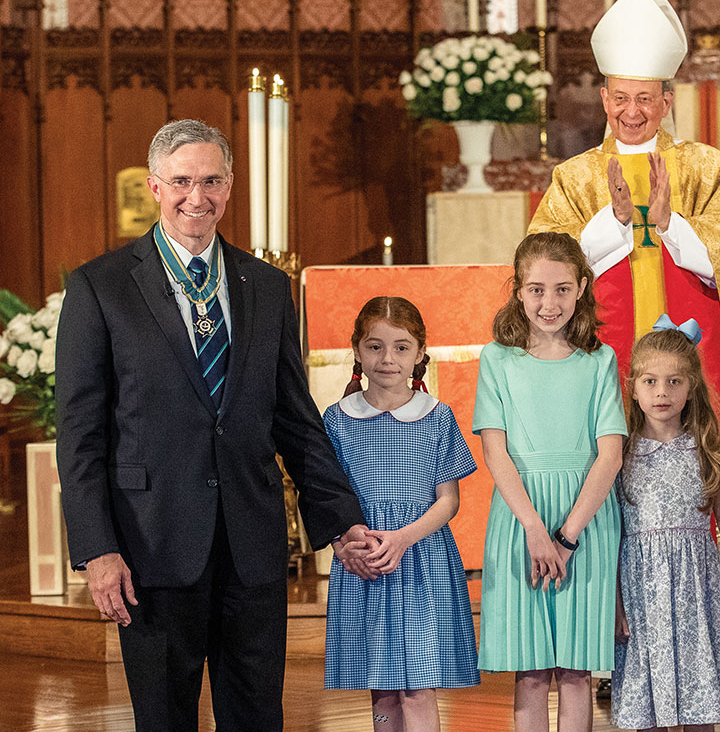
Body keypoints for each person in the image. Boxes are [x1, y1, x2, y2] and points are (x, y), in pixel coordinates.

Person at [55, 119, 369, 732]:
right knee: (164, 717)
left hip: (251, 542)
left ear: (230, 187)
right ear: (153, 186)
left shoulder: (268, 287)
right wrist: (97, 549)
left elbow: (296, 422)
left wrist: (341, 520)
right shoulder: (100, 287)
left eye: (211, 181)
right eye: (180, 182)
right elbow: (80, 433)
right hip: (151, 542)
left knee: (256, 715)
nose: (195, 197)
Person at [527, 0, 720, 661]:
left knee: (693, 493)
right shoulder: (575, 179)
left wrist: (672, 225)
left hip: (691, 370)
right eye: (620, 98)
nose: (633, 112)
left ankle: (700, 640)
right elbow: (542, 268)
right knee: (608, 487)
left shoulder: (707, 167)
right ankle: (611, 641)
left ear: (667, 100)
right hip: (603, 371)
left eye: (646, 99)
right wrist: (614, 221)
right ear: (604, 100)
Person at [473, 232, 627, 731]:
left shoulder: (599, 360)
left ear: (582, 287)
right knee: (532, 669)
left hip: (585, 521)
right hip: (522, 519)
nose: (549, 302)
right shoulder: (497, 359)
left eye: (562, 289)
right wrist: (538, 532)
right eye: (536, 289)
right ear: (518, 290)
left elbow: (610, 455)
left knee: (577, 669)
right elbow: (495, 450)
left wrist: (567, 535)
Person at [322, 296, 480, 731]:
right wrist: (343, 546)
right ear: (356, 351)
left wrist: (403, 537)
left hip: (420, 562)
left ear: (420, 353)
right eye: (375, 347)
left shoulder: (437, 417)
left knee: (418, 686)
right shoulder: (336, 419)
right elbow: (326, 496)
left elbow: (448, 500)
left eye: (401, 347)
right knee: (382, 687)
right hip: (364, 565)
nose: (387, 358)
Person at [613, 317, 720, 732]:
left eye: (674, 381)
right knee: (646, 702)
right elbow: (610, 536)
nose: (662, 392)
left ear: (692, 386)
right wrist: (613, 602)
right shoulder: (618, 454)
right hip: (641, 594)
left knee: (701, 705)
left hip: (696, 596)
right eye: (650, 381)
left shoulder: (707, 450)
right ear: (632, 386)